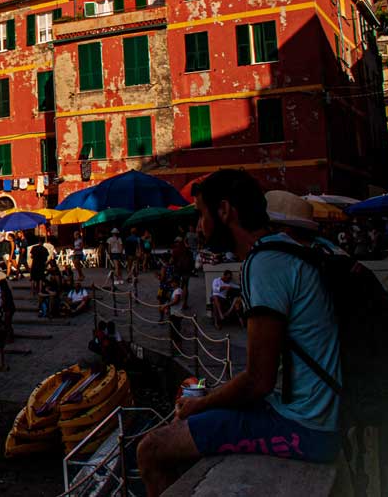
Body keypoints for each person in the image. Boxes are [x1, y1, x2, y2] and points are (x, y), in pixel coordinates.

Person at [138, 169, 341, 497]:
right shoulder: (289, 251)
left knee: (150, 450)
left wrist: (199, 406)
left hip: (306, 428)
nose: (199, 227)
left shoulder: (265, 263)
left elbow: (257, 381)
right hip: (318, 415)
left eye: (202, 215)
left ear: (224, 211)